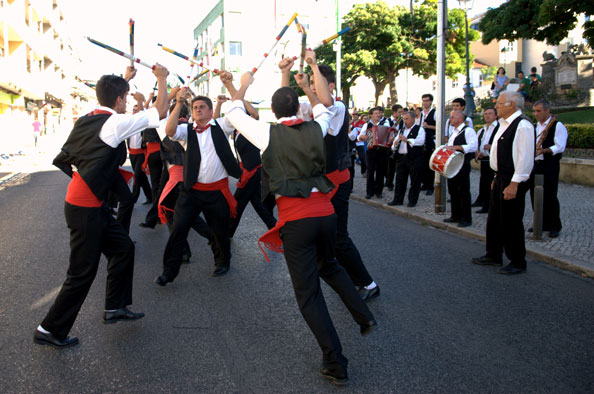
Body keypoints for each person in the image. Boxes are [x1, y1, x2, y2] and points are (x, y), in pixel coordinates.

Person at [226, 70, 376, 387]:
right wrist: (310, 73)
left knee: (309, 296)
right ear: (298, 108)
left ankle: (335, 362)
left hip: (298, 220)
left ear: (274, 111)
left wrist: (242, 85)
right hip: (325, 212)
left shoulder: (266, 134)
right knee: (330, 265)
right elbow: (326, 104)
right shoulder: (317, 126)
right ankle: (363, 313)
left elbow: (232, 111)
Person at [34, 65, 169, 348]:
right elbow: (159, 112)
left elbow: (70, 153)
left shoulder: (88, 118)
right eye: (124, 97)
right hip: (85, 208)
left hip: (88, 203)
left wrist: (125, 80)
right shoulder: (115, 124)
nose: (125, 102)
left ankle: (114, 307)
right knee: (81, 273)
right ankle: (50, 329)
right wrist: (162, 78)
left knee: (123, 248)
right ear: (120, 100)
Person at [155, 90, 242, 285]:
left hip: (216, 192)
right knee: (178, 229)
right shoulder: (186, 130)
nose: (198, 109)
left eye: (202, 107)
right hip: (191, 192)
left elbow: (237, 111)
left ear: (211, 111)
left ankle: (222, 262)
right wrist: (178, 103)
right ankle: (169, 272)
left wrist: (233, 87)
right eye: (195, 108)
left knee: (219, 230)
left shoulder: (221, 125)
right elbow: (169, 131)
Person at [472, 91, 535, 274]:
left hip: (513, 179)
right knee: (494, 219)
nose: (496, 106)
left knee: (511, 221)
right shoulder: (503, 124)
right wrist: (495, 178)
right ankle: (493, 254)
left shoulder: (522, 125)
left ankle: (517, 260)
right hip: (501, 177)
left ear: (512, 105)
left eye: (499, 103)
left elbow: (525, 158)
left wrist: (514, 184)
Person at [215, 71, 277, 237]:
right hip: (248, 171)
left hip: (253, 171)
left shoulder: (252, 126)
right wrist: (220, 104)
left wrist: (232, 87)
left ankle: (227, 233)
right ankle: (277, 228)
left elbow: (253, 113)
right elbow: (215, 126)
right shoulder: (237, 131)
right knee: (258, 205)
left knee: (237, 203)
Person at [529, 100, 567, 238]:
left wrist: (544, 150)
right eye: (534, 111)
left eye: (538, 111)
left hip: (549, 164)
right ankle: (540, 223)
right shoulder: (535, 126)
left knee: (550, 195)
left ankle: (554, 225)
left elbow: (560, 146)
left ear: (547, 111)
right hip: (535, 164)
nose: (535, 114)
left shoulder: (557, 126)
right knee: (535, 195)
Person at [442, 110, 478, 228]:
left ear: (460, 118)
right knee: (453, 191)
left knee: (463, 191)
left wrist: (457, 147)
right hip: (453, 165)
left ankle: (466, 218)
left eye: (452, 117)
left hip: (462, 164)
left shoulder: (468, 130)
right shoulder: (454, 132)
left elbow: (473, 146)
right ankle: (455, 215)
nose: (450, 119)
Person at [388, 111, 425, 207]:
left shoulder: (419, 129)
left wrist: (407, 140)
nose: (405, 121)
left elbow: (420, 142)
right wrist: (395, 144)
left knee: (415, 181)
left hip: (414, 158)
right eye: (404, 119)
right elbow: (395, 143)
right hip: (401, 158)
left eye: (407, 119)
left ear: (413, 119)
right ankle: (397, 199)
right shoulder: (401, 130)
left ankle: (412, 201)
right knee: (400, 180)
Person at [357, 107, 392, 199]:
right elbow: (359, 137)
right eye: (376, 113)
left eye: (379, 113)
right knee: (370, 171)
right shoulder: (366, 125)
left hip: (382, 150)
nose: (378, 115)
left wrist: (390, 138)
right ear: (371, 115)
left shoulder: (385, 123)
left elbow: (389, 135)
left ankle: (378, 191)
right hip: (371, 150)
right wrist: (363, 137)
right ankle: (369, 192)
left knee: (381, 171)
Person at [472, 107, 499, 214]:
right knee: (483, 182)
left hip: (493, 160)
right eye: (485, 113)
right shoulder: (482, 129)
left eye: (490, 113)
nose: (487, 115)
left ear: (496, 115)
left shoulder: (498, 128)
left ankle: (490, 205)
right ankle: (483, 201)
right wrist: (477, 152)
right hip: (484, 159)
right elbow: (477, 143)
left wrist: (492, 146)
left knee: (491, 184)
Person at [127, 101, 152, 205]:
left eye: (137, 110)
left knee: (137, 176)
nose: (135, 112)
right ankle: (150, 196)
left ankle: (132, 200)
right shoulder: (129, 124)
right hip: (132, 155)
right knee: (142, 177)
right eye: (134, 110)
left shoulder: (143, 125)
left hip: (141, 154)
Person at [419, 94, 436, 194]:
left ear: (431, 101)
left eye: (426, 100)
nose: (424, 103)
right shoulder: (421, 113)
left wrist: (428, 126)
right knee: (423, 163)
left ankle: (431, 186)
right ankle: (425, 183)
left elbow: (439, 127)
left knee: (430, 164)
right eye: (423, 100)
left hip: (430, 140)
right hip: (423, 140)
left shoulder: (435, 113)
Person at [385, 104, 404, 192]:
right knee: (390, 166)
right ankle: (389, 183)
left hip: (400, 144)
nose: (401, 114)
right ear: (394, 112)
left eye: (402, 112)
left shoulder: (403, 121)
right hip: (390, 146)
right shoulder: (387, 121)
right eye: (399, 112)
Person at [350, 111, 367, 175]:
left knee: (362, 158)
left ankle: (363, 171)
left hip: (360, 143)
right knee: (352, 158)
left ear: (358, 115)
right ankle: (352, 173)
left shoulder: (363, 123)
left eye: (356, 114)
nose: (354, 115)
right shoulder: (350, 123)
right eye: (353, 114)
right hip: (352, 143)